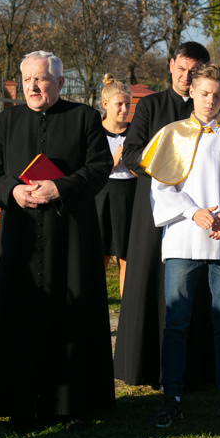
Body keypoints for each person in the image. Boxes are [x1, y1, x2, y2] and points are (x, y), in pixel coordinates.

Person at [0, 51, 114, 425]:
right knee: (20, 316)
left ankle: (72, 405)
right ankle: (21, 405)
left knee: (72, 317)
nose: (33, 87)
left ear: (59, 83)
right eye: (27, 80)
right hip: (21, 234)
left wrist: (60, 187)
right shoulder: (7, 120)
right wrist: (12, 192)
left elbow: (100, 166)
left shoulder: (84, 117)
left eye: (40, 79)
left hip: (69, 235)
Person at [142, 63, 220, 427]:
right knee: (177, 322)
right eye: (204, 94)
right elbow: (161, 188)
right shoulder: (171, 134)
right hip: (184, 238)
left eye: (217, 95)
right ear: (192, 93)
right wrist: (194, 212)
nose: (211, 101)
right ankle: (172, 397)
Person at [114, 41, 214, 389]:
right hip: (153, 209)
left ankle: (193, 368)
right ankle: (144, 366)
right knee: (149, 282)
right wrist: (170, 167)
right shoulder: (151, 106)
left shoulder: (209, 111)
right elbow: (132, 154)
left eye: (195, 71)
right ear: (171, 65)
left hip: (198, 212)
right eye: (182, 68)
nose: (187, 77)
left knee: (194, 287)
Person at [94, 74, 136, 297]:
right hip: (102, 196)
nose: (124, 109)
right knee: (99, 254)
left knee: (126, 256)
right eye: (119, 104)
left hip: (129, 196)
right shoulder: (95, 133)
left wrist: (136, 169)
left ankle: (126, 314)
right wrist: (110, 164)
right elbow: (86, 169)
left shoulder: (135, 132)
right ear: (106, 104)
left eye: (127, 104)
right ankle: (94, 313)